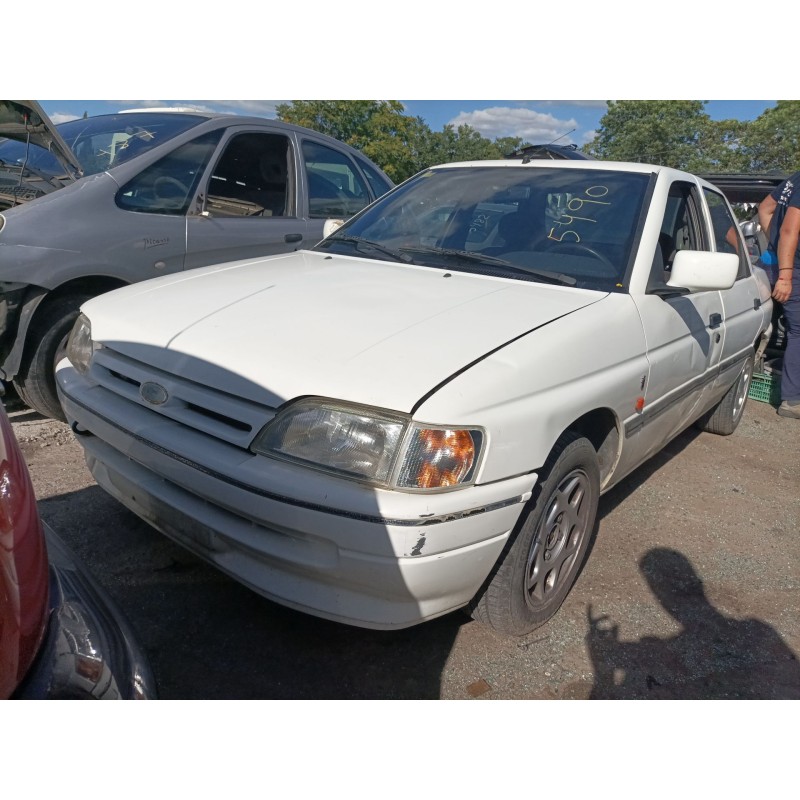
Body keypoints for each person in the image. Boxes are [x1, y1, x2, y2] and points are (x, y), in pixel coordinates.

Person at [758, 173, 800, 419]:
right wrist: (785, 275)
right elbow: (789, 229)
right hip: (792, 270)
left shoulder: (795, 179)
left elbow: (766, 208)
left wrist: (774, 247)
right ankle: (792, 400)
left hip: (781, 263)